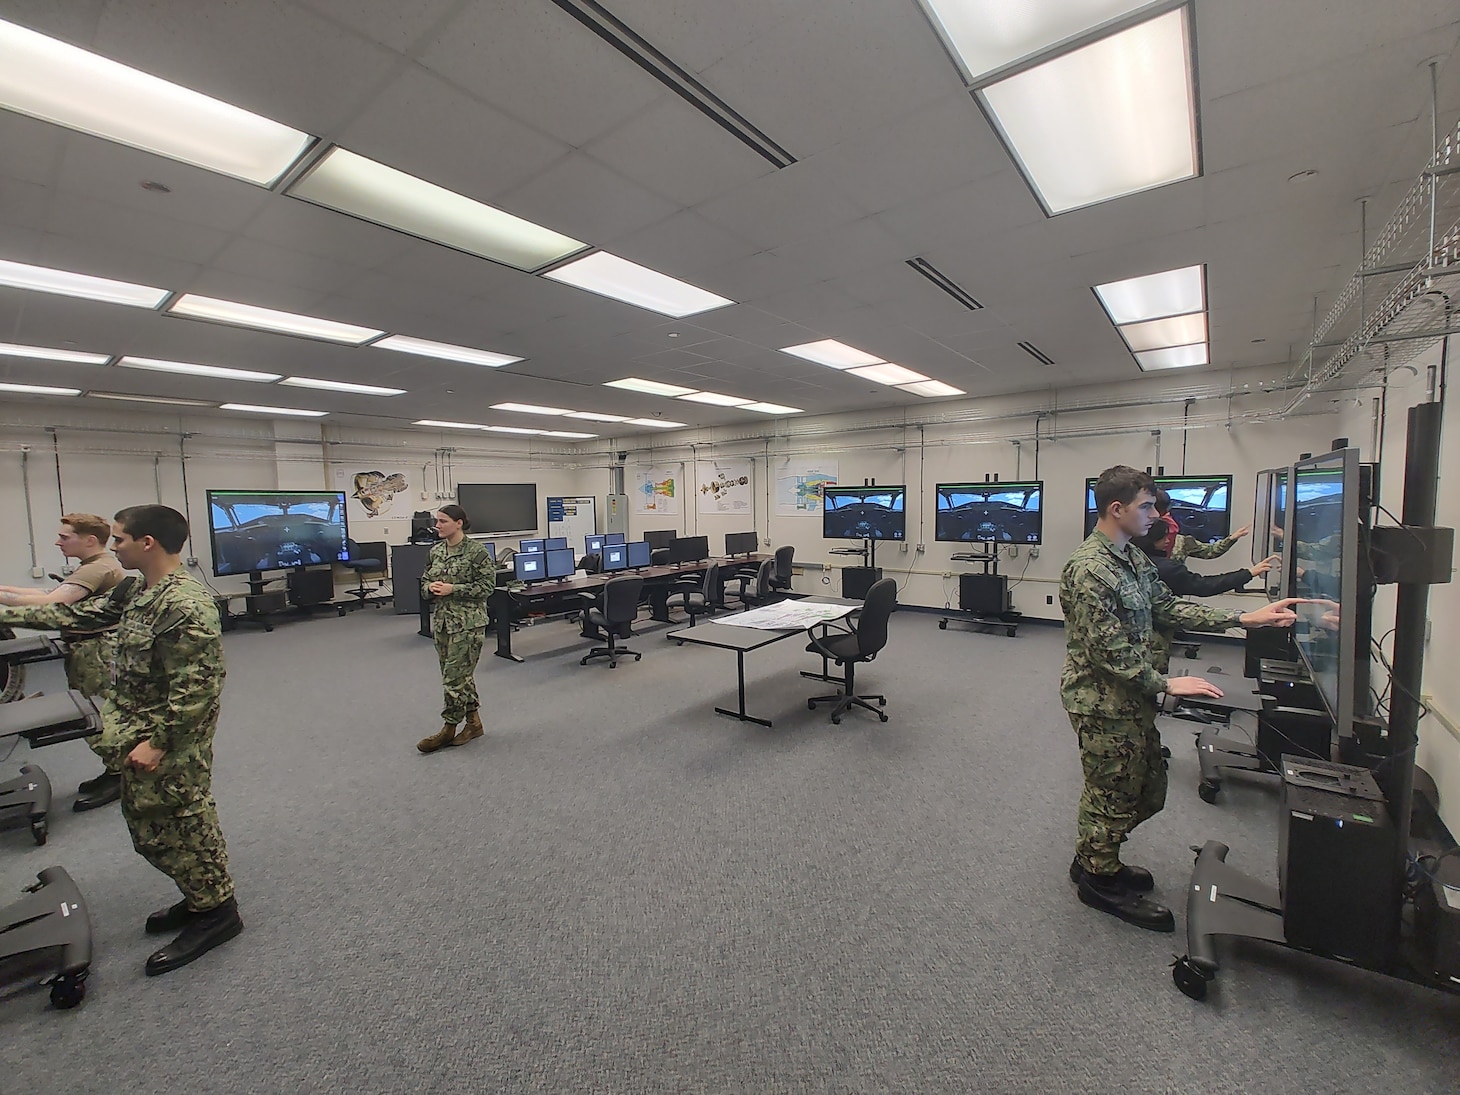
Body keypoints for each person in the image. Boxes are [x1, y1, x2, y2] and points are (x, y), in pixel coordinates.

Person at [0, 505, 241, 975]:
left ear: (146, 542)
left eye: (121, 540)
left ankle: (218, 911)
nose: (114, 548)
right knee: (151, 830)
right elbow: (81, 615)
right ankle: (199, 897)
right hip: (132, 729)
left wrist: (160, 742)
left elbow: (200, 685)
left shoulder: (186, 603)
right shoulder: (136, 589)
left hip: (170, 740)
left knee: (185, 822)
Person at [1060, 466, 1300, 932]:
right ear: (1117, 509)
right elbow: (1105, 650)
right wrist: (1166, 683)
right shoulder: (1090, 569)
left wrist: (1242, 619)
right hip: (1101, 702)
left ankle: (1094, 854)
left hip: (1131, 699)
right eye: (1147, 507)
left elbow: (1167, 605)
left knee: (1145, 785)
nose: (1158, 517)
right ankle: (1097, 877)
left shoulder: (1130, 557)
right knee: (1112, 790)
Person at [0, 513, 127, 810]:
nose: (58, 542)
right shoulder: (93, 566)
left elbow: (53, 603)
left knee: (97, 714)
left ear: (90, 540)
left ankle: (120, 773)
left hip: (95, 652)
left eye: (64, 537)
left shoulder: (98, 569)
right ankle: (116, 769)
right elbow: (49, 593)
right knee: (97, 710)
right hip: (88, 648)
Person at [1133, 522, 1281, 674]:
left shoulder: (1133, 559)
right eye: (1163, 537)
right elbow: (1204, 585)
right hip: (1151, 640)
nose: (1168, 541)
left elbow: (1210, 552)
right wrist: (1247, 575)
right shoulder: (1164, 568)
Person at [417, 504, 496, 753]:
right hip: (442, 623)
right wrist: (429, 589)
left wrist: (455, 589)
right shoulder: (436, 552)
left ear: (459, 523)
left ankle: (448, 728)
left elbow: (487, 587)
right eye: (437, 521)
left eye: (443, 521)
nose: (437, 525)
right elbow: (425, 581)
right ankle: (474, 723)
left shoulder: (476, 552)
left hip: (468, 624)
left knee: (453, 679)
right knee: (460, 677)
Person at [1153, 488, 1250, 564]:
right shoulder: (1182, 541)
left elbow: (1210, 551)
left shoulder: (1182, 541)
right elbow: (1211, 551)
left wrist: (1231, 538)